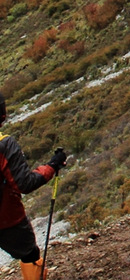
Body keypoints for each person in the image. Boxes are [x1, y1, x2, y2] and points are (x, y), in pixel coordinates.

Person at [0, 95, 65, 280]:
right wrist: (52, 166)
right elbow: (25, 183)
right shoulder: (4, 145)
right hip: (7, 219)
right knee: (30, 255)